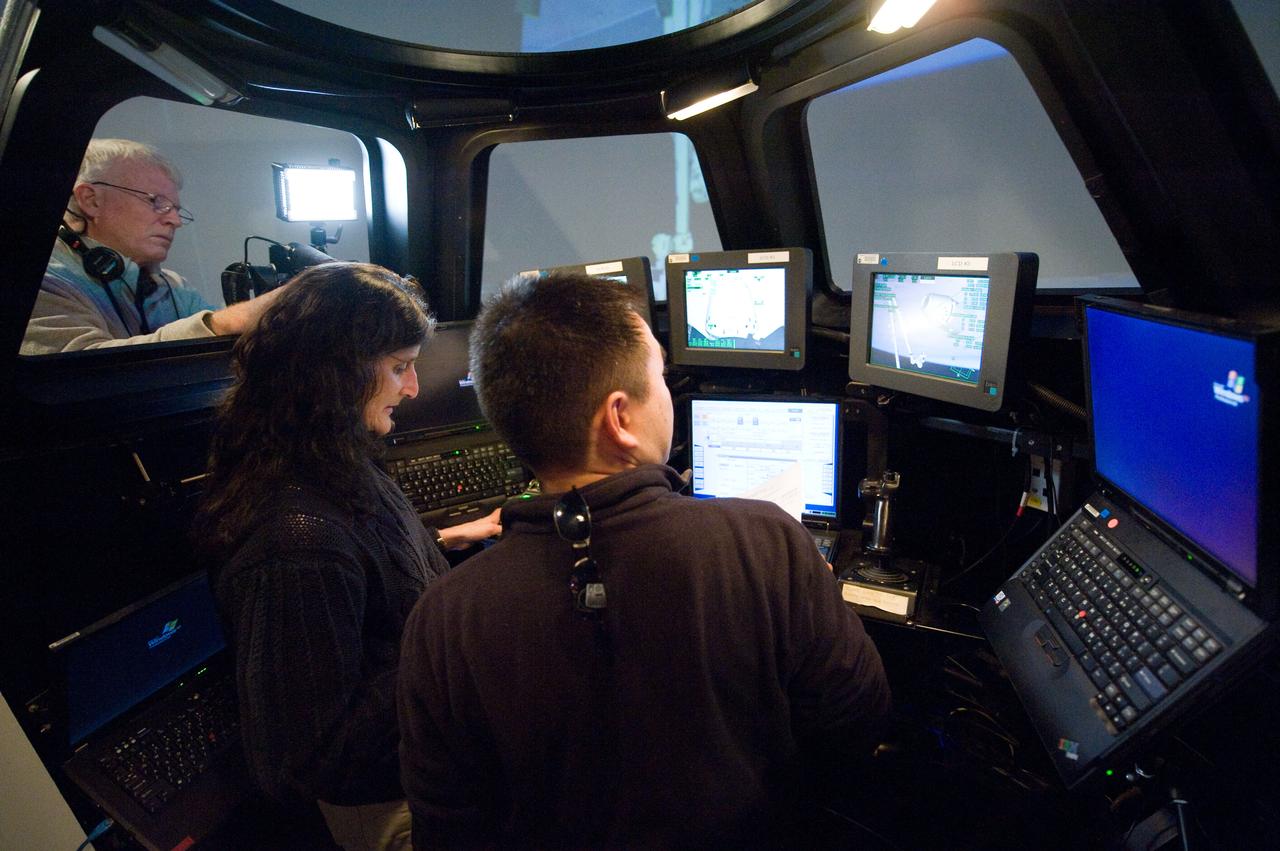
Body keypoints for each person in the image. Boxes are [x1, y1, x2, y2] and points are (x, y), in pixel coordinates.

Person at [397, 272, 891, 847]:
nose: (670, 398)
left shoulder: (442, 618)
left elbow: (448, 827)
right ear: (620, 419)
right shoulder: (769, 544)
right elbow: (855, 724)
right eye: (659, 377)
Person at [195, 262, 500, 851]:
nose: (412, 388)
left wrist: (446, 544)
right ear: (334, 374)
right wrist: (457, 642)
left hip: (426, 739)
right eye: (399, 367)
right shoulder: (297, 541)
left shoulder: (332, 459)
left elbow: (365, 585)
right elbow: (308, 758)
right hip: (387, 802)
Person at [21, 138, 284, 354]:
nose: (175, 220)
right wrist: (226, 322)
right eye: (157, 202)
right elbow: (76, 377)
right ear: (91, 200)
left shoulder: (174, 286)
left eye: (176, 209)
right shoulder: (40, 281)